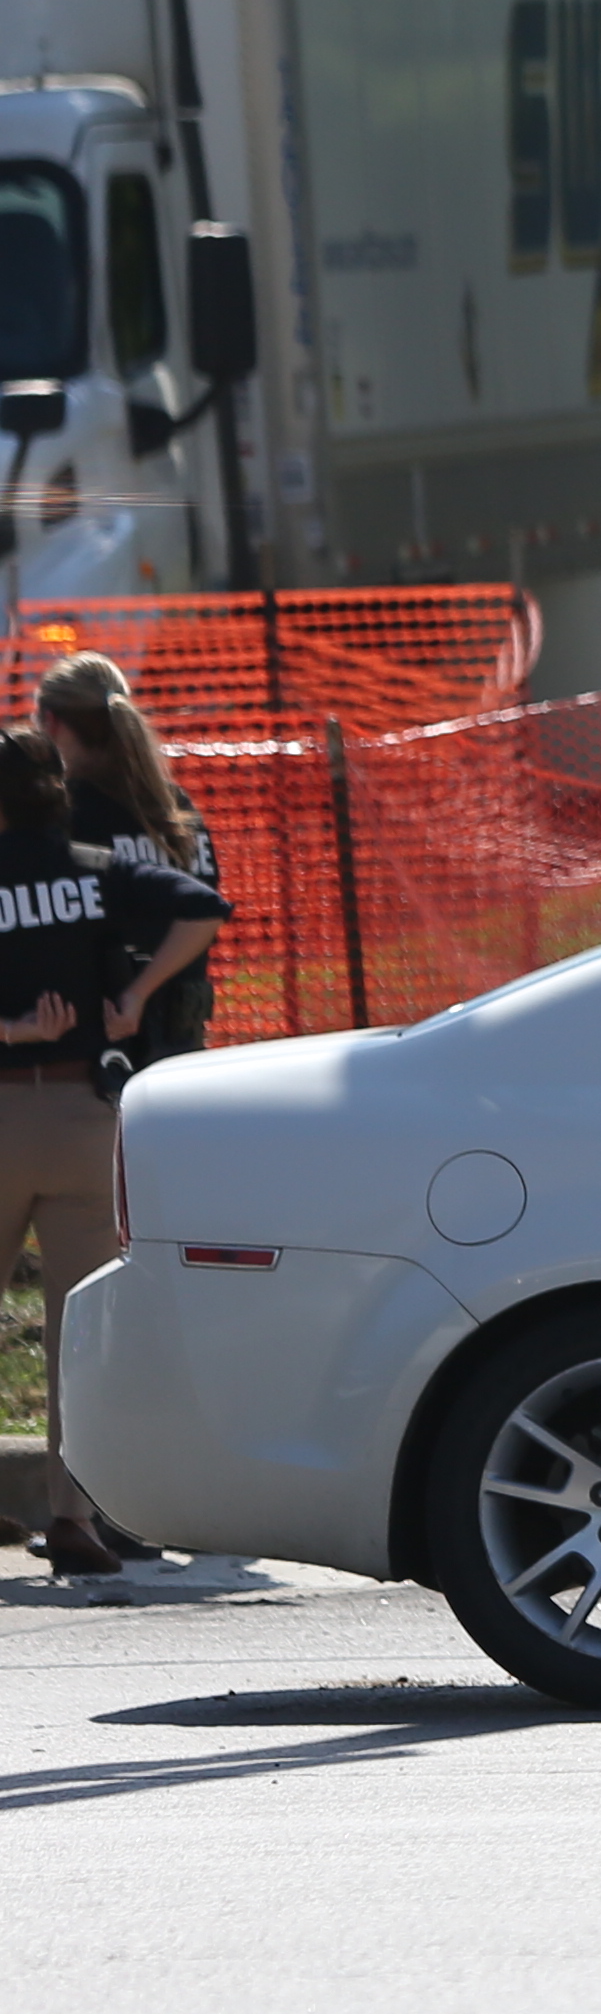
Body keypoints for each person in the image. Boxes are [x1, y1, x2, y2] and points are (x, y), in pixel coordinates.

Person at [0, 719, 223, 1576]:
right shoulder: (93, 874)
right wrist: (132, 993)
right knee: (74, 1338)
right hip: (85, 1120)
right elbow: (203, 905)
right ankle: (74, 1520)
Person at [31, 650, 218, 1067]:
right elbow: (205, 915)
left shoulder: (63, 815)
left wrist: (136, 993)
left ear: (51, 723)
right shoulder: (173, 807)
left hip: (102, 1042)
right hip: (179, 1037)